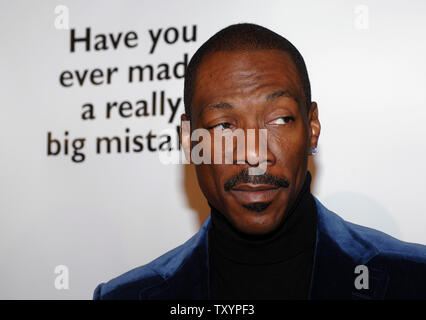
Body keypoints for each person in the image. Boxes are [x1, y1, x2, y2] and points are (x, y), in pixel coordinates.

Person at [93, 23, 426, 300]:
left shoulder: (413, 278)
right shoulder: (126, 296)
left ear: (312, 128)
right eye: (224, 125)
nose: (254, 154)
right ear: (188, 139)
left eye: (279, 119)